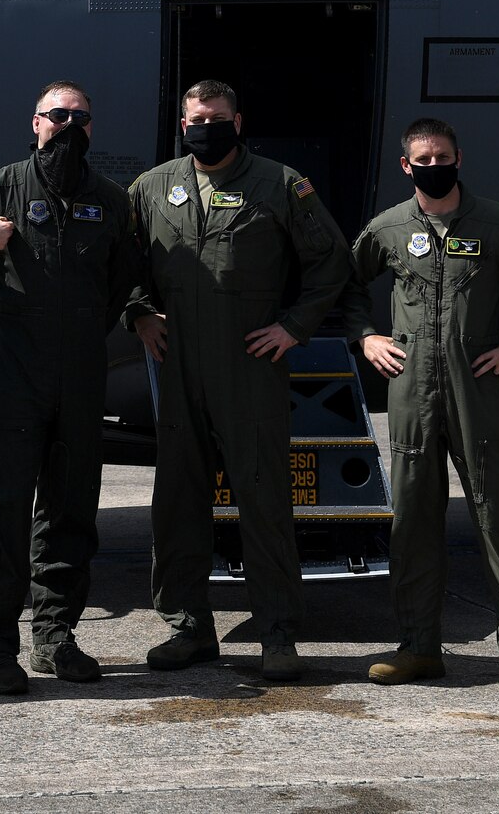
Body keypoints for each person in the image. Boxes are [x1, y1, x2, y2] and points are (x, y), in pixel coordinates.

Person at [0, 81, 143, 695]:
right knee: (4, 514)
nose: (67, 125)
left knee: (70, 512)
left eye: (78, 117)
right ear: (34, 122)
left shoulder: (110, 200)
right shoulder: (1, 185)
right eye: (56, 115)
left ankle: (57, 637)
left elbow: (126, 273)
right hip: (16, 378)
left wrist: (103, 319)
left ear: (90, 128)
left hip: (82, 376)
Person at [125, 79, 353, 682]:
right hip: (177, 367)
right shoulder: (152, 188)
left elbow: (332, 263)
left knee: (263, 501)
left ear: (238, 121)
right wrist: (138, 311)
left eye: (218, 118)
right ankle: (188, 628)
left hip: (251, 367)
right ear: (182, 124)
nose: (207, 127)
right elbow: (119, 261)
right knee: (177, 502)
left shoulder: (281, 185)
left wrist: (294, 328)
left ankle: (277, 635)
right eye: (197, 119)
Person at [343, 117, 499, 698]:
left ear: (458, 158)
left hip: (477, 387)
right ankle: (419, 646)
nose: (433, 165)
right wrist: (366, 336)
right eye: (422, 158)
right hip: (411, 391)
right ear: (406, 166)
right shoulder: (388, 228)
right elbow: (342, 285)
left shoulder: (498, 222)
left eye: (442, 155)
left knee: (497, 515)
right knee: (413, 522)